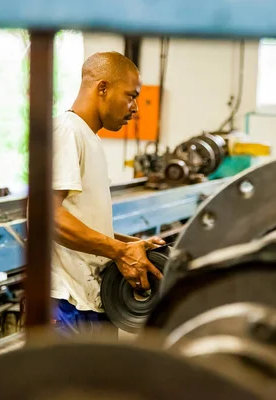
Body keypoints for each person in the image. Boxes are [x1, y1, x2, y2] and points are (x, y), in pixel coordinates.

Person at [51, 51, 165, 337]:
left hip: (92, 301)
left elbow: (85, 224)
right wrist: (119, 252)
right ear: (102, 88)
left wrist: (132, 245)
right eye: (131, 96)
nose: (135, 107)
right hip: (68, 304)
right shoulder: (68, 131)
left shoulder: (89, 138)